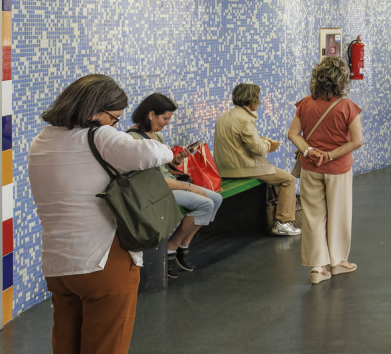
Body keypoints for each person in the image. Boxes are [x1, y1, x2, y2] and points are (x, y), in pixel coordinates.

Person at [30, 75, 174, 354]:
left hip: (58, 264)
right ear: (95, 111)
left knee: (65, 345)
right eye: (114, 117)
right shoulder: (99, 135)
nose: (114, 124)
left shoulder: (42, 140)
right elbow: (154, 151)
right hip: (103, 260)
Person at [128, 93, 223, 278]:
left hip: (167, 184)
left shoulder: (155, 136)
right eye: (165, 118)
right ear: (151, 114)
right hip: (155, 190)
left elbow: (165, 169)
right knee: (206, 203)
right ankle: (171, 248)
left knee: (217, 198)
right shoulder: (136, 140)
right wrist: (190, 187)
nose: (168, 123)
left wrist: (178, 159)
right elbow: (154, 180)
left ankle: (182, 245)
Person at [288, 56, 364, 285]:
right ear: (341, 80)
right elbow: (357, 141)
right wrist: (330, 155)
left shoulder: (305, 104)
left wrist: (310, 150)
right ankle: (338, 262)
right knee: (338, 214)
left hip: (311, 168)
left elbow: (293, 134)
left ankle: (317, 268)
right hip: (338, 169)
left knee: (313, 216)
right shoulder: (347, 107)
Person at [214, 83, 301, 237]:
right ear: (251, 100)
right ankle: (283, 223)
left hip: (223, 169)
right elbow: (258, 149)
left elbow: (236, 143)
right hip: (243, 168)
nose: (259, 102)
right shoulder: (245, 119)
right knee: (288, 180)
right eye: (258, 99)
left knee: (277, 177)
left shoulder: (223, 117)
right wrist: (268, 144)